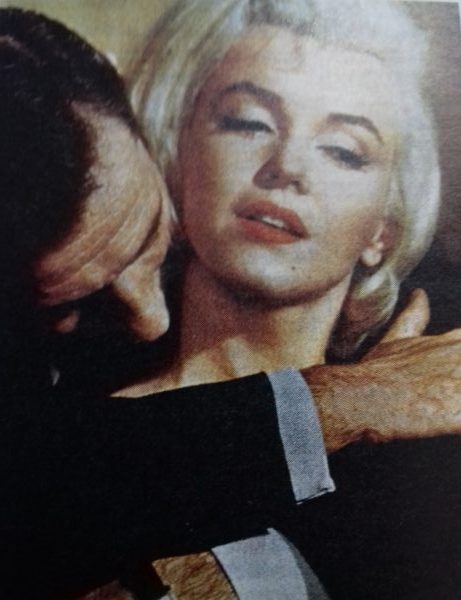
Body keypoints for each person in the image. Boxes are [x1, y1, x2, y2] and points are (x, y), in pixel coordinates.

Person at [2, 6, 461, 600]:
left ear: (384, 231)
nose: (287, 168)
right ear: (176, 151)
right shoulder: (50, 431)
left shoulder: (427, 476)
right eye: (248, 123)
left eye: (344, 151)